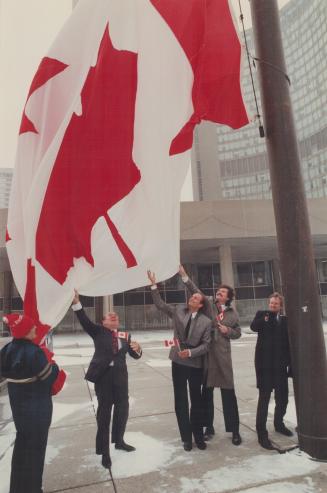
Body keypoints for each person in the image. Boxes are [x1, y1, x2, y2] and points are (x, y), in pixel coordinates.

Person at [72, 292, 142, 469]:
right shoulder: (97, 331)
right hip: (103, 377)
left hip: (120, 378)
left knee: (122, 410)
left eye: (115, 316)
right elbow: (83, 319)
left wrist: (139, 349)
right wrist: (77, 303)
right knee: (104, 414)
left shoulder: (125, 336)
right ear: (103, 322)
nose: (113, 316)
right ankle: (104, 452)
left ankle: (119, 441)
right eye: (109, 316)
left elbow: (135, 355)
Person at [147, 270, 211, 452]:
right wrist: (153, 285)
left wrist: (191, 353)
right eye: (192, 296)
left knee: (196, 401)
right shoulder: (177, 310)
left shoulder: (206, 321)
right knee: (180, 400)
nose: (193, 298)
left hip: (195, 364)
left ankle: (198, 436)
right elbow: (159, 304)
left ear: (200, 305)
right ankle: (186, 438)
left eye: (197, 298)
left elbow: (207, 345)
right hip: (177, 362)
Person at [179, 266, 242, 446]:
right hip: (206, 357)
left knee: (228, 394)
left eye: (222, 292)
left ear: (228, 297)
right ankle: (209, 428)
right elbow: (195, 291)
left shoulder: (232, 313)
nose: (218, 294)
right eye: (218, 292)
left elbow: (238, 333)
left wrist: (228, 330)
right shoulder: (208, 306)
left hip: (222, 358)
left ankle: (235, 430)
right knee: (206, 394)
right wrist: (184, 276)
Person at [0, 313, 60, 493]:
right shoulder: (34, 352)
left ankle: (17, 488)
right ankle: (33, 489)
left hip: (19, 409)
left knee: (21, 449)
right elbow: (48, 377)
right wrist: (55, 366)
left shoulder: (7, 349)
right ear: (26, 331)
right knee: (36, 452)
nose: (35, 328)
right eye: (31, 327)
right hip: (37, 410)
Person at [250, 292, 293, 450]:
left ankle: (279, 424)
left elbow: (289, 342)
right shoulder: (263, 315)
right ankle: (262, 433)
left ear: (281, 306)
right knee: (264, 400)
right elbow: (254, 327)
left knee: (282, 398)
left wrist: (290, 364)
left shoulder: (285, 320)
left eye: (276, 304)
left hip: (280, 366)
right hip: (265, 366)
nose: (273, 305)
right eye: (271, 303)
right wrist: (265, 318)